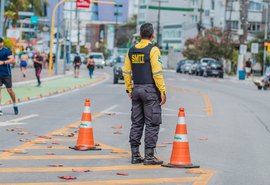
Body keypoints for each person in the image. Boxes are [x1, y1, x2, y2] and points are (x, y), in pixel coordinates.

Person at [123, 23, 166, 165]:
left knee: (136, 123)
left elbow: (126, 72)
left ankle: (135, 155)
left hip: (136, 90)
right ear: (152, 35)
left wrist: (129, 89)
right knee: (152, 123)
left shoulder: (131, 50)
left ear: (140, 35)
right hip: (150, 91)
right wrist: (162, 90)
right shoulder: (153, 50)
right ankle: (149, 156)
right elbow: (157, 72)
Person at [0, 37, 19, 116]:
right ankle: (0, 109)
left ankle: (14, 105)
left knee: (9, 90)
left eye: (0, 42)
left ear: (2, 43)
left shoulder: (6, 51)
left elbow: (13, 60)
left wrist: (3, 62)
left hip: (6, 74)